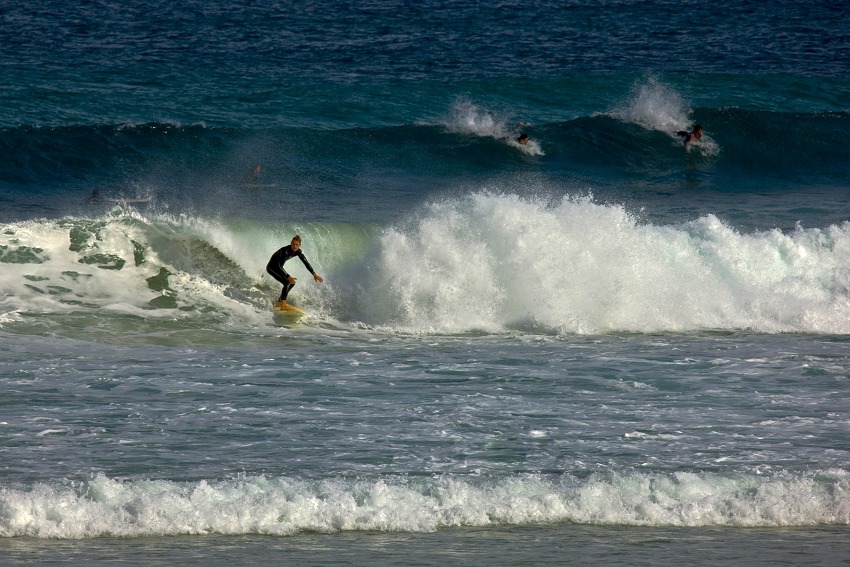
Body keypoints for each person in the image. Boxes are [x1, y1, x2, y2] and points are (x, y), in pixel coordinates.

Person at [266, 235, 323, 308]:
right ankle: (283, 304)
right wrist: (288, 277)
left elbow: (306, 262)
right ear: (291, 243)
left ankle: (280, 301)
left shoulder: (298, 252)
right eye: (293, 244)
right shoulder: (284, 251)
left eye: (297, 245)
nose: (294, 246)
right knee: (287, 282)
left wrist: (314, 274)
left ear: (300, 245)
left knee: (292, 282)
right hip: (271, 268)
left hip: (279, 268)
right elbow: (278, 266)